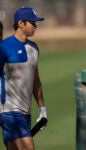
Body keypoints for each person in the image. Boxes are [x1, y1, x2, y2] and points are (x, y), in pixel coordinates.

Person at [0, 7, 47, 150]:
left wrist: (42, 108)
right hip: (9, 111)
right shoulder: (4, 47)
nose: (35, 27)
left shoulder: (34, 48)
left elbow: (36, 81)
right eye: (32, 23)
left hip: (25, 112)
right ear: (20, 23)